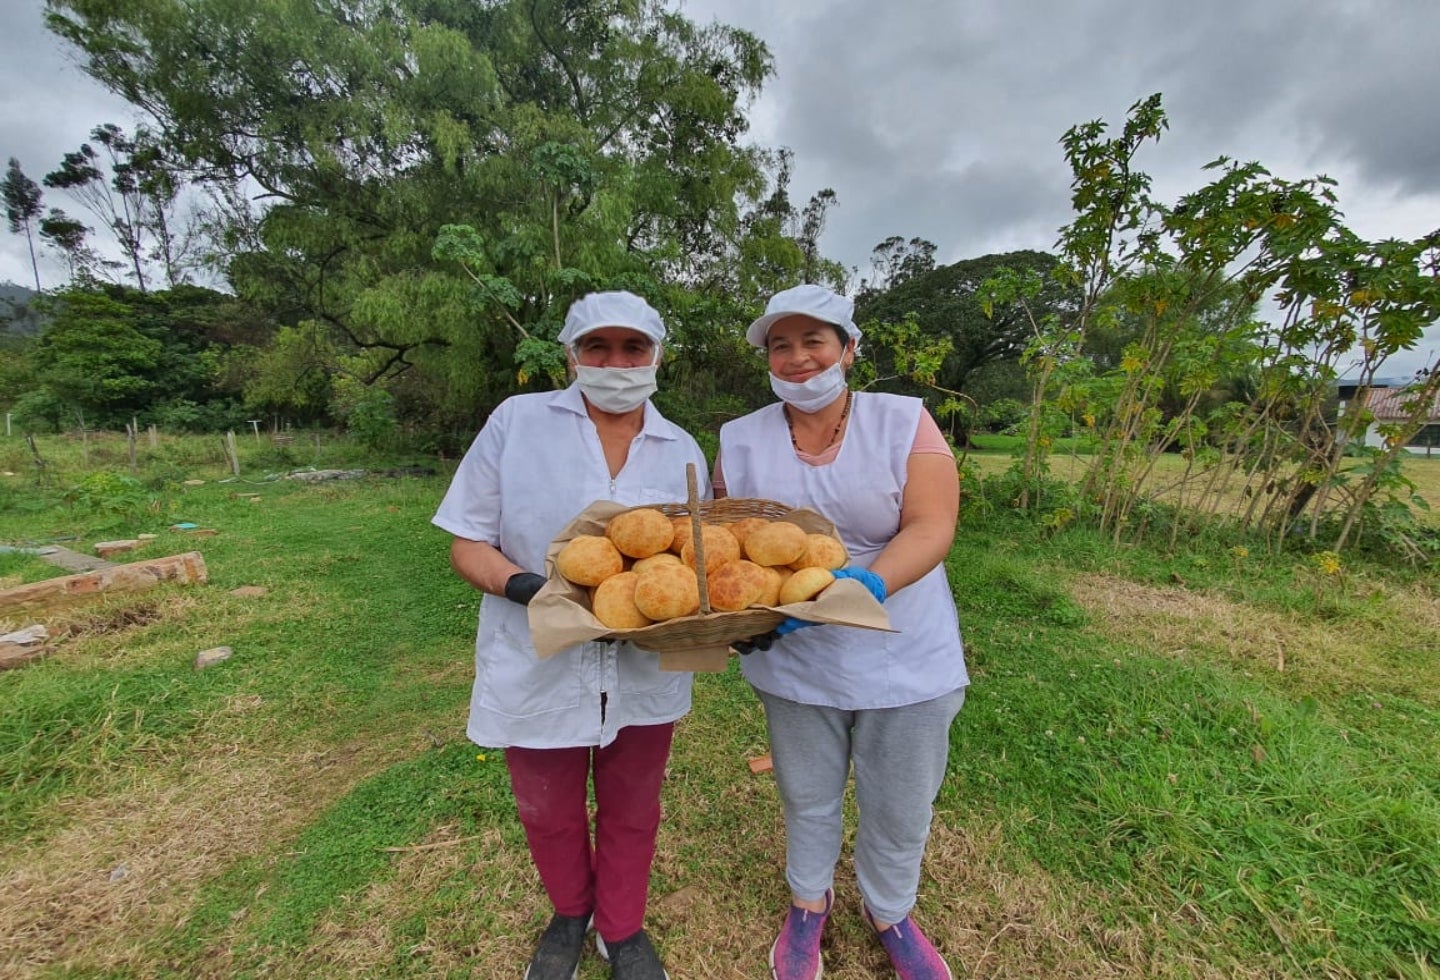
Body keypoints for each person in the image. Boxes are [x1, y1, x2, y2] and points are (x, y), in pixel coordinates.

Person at [433, 291, 708, 980]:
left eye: (633, 349)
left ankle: (622, 928)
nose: (616, 363)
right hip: (537, 652)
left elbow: (703, 557)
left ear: (657, 356)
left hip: (643, 665)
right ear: (571, 355)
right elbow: (468, 540)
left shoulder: (682, 447)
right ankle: (569, 915)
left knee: (634, 804)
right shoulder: (517, 422)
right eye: (597, 348)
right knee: (548, 806)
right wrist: (528, 588)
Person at [715, 284, 968, 980]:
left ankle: (890, 911)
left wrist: (868, 583)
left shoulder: (903, 422)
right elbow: (728, 543)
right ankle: (807, 905)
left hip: (902, 650)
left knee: (900, 799)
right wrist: (738, 622)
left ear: (850, 349)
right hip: (797, 654)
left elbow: (931, 524)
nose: (797, 358)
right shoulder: (740, 438)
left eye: (814, 341)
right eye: (780, 345)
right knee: (807, 792)